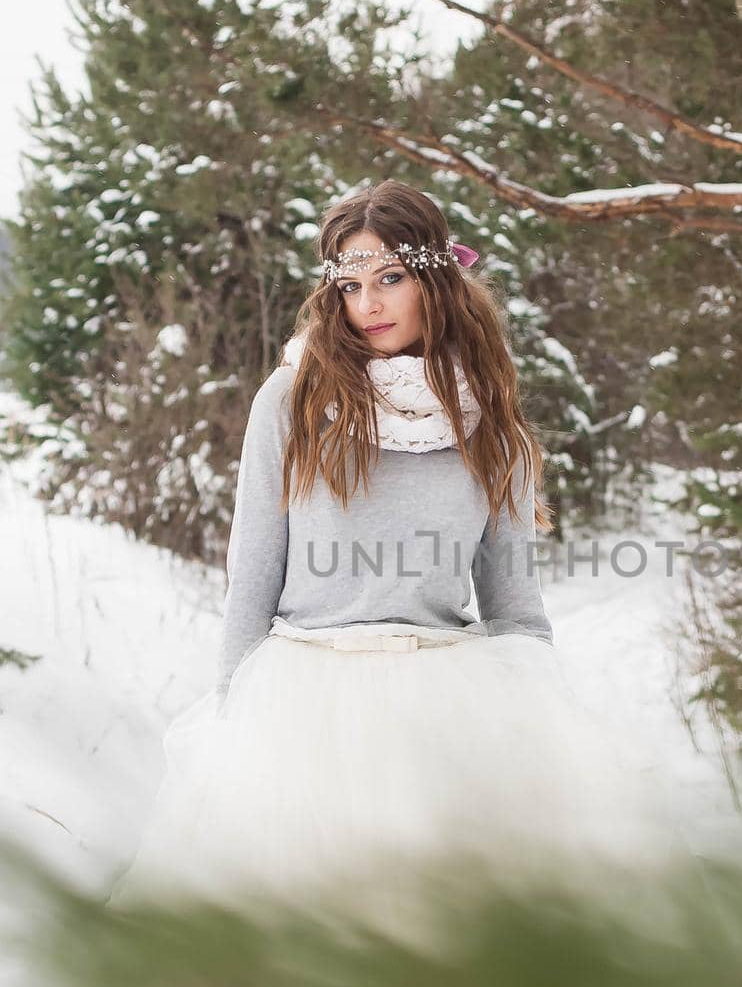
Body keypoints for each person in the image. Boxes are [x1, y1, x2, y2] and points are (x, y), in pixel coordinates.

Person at [109, 180, 685, 916]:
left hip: (445, 702)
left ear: (434, 280)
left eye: (390, 278)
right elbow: (251, 572)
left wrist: (549, 734)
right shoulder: (292, 401)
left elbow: (514, 606)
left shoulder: (493, 424)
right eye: (349, 285)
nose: (369, 304)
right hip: (304, 696)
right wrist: (237, 717)